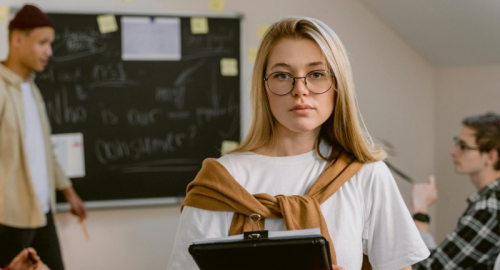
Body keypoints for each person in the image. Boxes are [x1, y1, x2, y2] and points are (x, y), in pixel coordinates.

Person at [167, 17, 429, 270]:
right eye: (282, 75)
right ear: (263, 87)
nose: (300, 89)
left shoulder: (366, 174)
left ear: (338, 85)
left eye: (316, 74)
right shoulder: (220, 182)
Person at [0, 5, 87, 270]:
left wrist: (68, 191)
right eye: (43, 42)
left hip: (42, 210)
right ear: (17, 40)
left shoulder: (32, 88)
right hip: (10, 218)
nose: (49, 51)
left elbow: (44, 149)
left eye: (50, 43)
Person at [412, 112, 500, 269]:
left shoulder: (490, 207)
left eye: (463, 146)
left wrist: (420, 212)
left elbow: (430, 268)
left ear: (491, 157)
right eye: (456, 143)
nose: (453, 152)